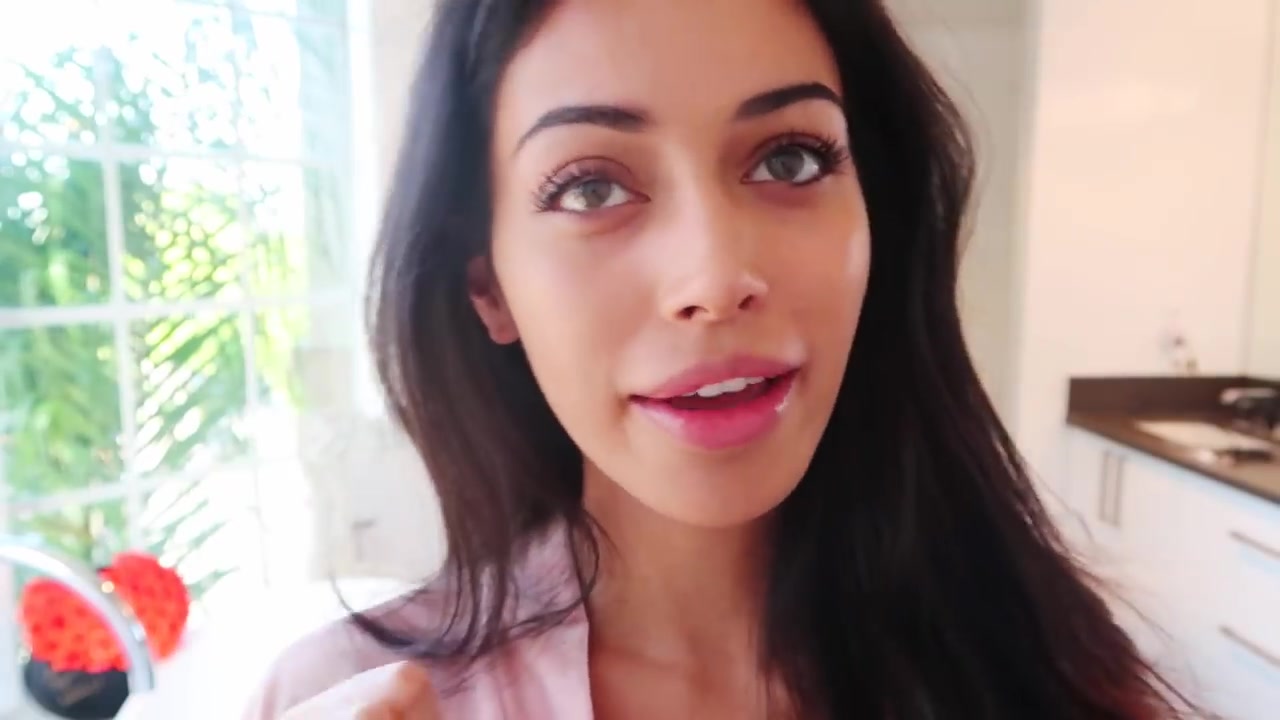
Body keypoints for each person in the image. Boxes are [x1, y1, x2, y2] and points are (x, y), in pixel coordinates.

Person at [244, 0, 1196, 718]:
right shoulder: (351, 698)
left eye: (790, 160)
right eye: (589, 188)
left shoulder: (1053, 669)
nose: (713, 277)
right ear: (489, 286)